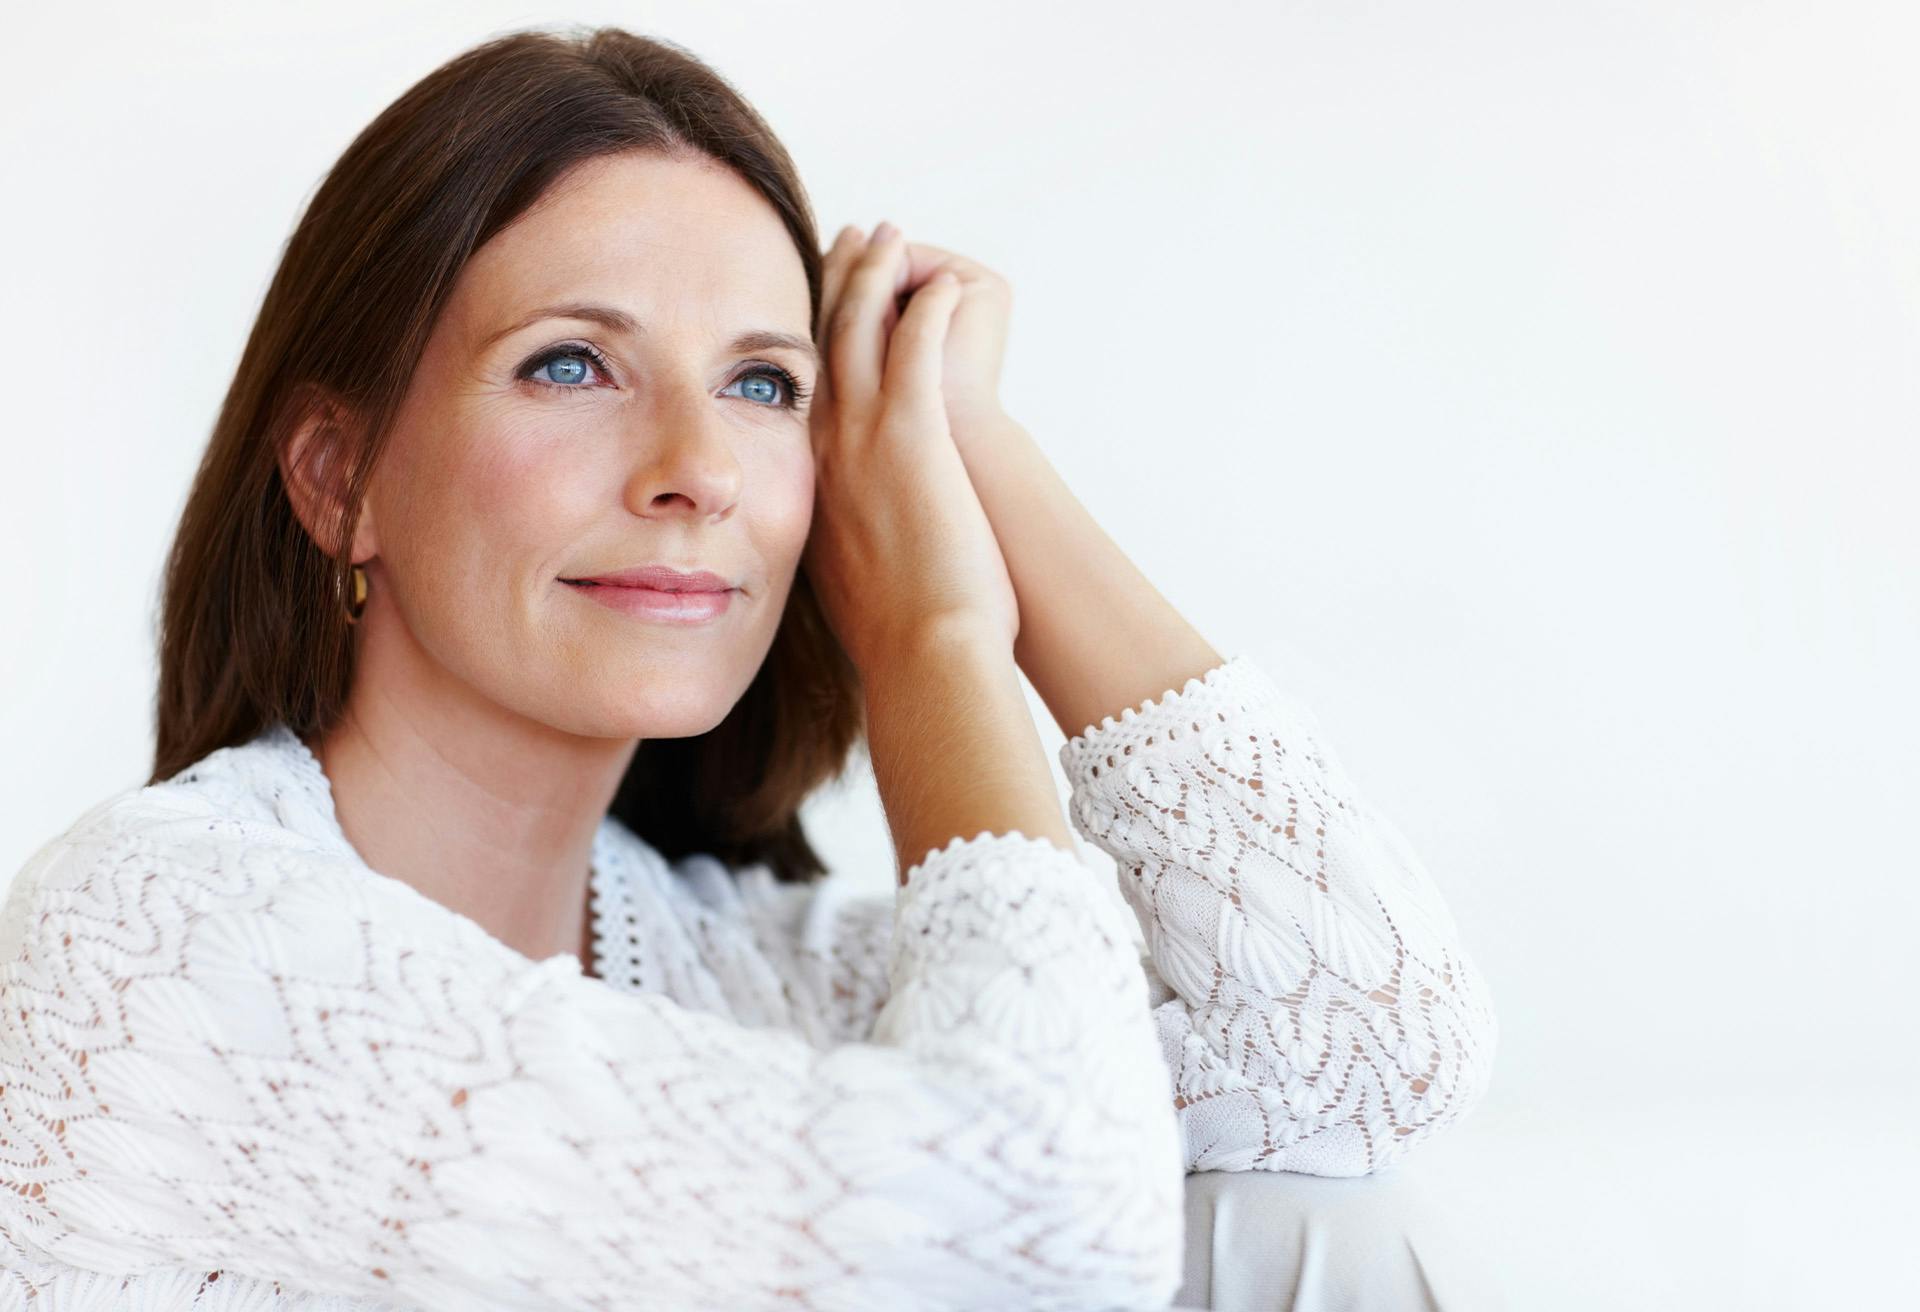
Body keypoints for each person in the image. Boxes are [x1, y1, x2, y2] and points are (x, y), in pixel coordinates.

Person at [0, 25, 1498, 1311]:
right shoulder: (159, 937)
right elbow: (1046, 1228)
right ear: (339, 479)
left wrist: (969, 448)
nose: (700, 470)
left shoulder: (743, 969)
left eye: (765, 385)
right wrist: (934, 640)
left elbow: (1368, 1047)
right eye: (571, 363)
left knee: (1306, 1226)